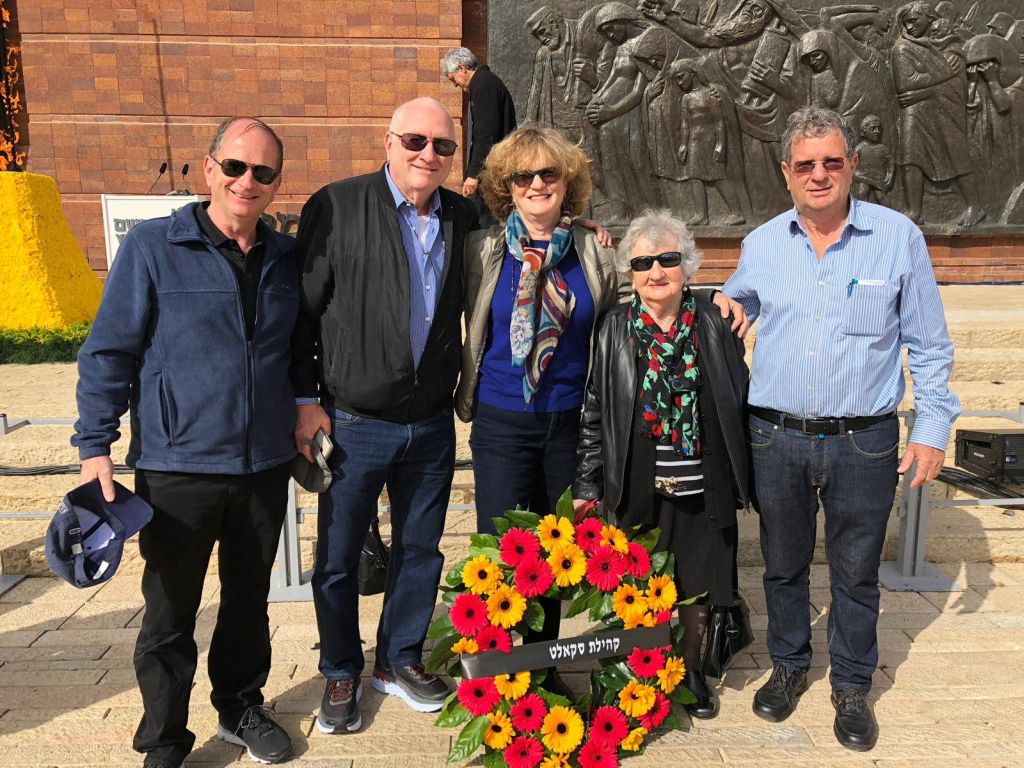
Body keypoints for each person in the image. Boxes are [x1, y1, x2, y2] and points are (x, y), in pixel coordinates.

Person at [720, 106, 961, 751]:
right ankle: (790, 666)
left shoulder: (898, 237)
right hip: (776, 436)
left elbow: (929, 344)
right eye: (805, 164)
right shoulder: (764, 242)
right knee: (782, 566)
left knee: (855, 572)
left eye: (832, 161)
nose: (819, 174)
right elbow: (739, 294)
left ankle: (853, 684)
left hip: (866, 439)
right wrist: (728, 301)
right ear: (786, 173)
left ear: (853, 164)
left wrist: (933, 426)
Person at [72, 117, 297, 767]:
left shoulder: (286, 256)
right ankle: (165, 738)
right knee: (169, 614)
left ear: (275, 181)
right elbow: (108, 354)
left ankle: (240, 705)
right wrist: (96, 450)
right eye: (235, 166)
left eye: (263, 172)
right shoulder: (153, 247)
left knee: (249, 602)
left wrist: (306, 406)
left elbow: (300, 348)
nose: (247, 182)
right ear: (209, 169)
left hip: (263, 464)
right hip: (178, 467)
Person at [291, 97, 479, 733]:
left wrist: (585, 226)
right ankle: (341, 668)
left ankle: (397, 658)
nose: (428, 154)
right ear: (389, 141)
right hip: (354, 420)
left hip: (428, 422)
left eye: (443, 146)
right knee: (340, 556)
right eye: (415, 141)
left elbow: (531, 223)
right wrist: (304, 399)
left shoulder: (462, 215)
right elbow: (301, 312)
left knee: (421, 549)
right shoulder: (339, 206)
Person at [454, 125, 626, 696]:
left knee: (554, 550)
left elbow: (617, 326)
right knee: (503, 548)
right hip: (502, 419)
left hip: (569, 422)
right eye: (522, 176)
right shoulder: (482, 250)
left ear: (567, 183)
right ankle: (502, 670)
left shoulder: (593, 253)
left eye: (547, 174)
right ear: (506, 185)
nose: (535, 185)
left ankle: (545, 661)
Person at [572, 210, 750, 721]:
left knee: (696, 584)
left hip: (702, 484)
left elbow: (738, 396)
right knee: (639, 582)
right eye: (643, 262)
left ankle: (690, 669)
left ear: (687, 267)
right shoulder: (612, 331)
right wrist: (587, 484)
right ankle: (643, 669)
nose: (656, 272)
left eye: (668, 260)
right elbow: (594, 411)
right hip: (637, 482)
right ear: (629, 273)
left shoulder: (716, 323)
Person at [443, 47, 517, 224]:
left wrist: (473, 174)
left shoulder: (483, 85)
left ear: (462, 68)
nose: (455, 85)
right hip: (493, 168)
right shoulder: (486, 83)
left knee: (485, 225)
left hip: (490, 172)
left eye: (453, 79)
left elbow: (485, 134)